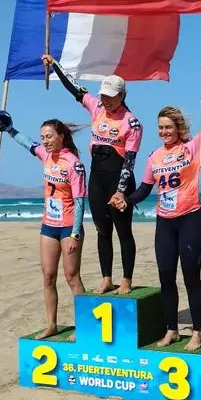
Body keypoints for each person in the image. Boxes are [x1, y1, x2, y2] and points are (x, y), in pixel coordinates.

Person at [110, 65, 201, 351]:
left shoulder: (193, 147)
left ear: (178, 128)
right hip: (165, 222)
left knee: (190, 275)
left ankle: (197, 331)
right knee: (165, 276)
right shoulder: (154, 156)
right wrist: (126, 199)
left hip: (191, 218)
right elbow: (145, 189)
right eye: (160, 128)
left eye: (168, 127)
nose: (164, 132)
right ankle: (172, 329)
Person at [42, 54, 141, 295]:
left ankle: (126, 279)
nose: (105, 100)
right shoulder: (96, 106)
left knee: (123, 231)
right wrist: (55, 64)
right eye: (104, 95)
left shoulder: (132, 123)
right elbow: (74, 89)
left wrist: (121, 191)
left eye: (111, 97)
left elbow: (129, 161)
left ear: (122, 96)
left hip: (119, 179)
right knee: (102, 229)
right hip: (97, 177)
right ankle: (107, 277)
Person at [0, 110, 88, 340]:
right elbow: (26, 142)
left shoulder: (74, 164)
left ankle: (84, 327)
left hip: (68, 227)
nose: (45, 141)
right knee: (48, 276)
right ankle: (52, 325)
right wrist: (8, 128)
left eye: (49, 136)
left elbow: (79, 201)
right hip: (49, 225)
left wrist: (75, 233)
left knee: (72, 276)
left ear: (61, 137)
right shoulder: (46, 156)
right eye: (43, 137)